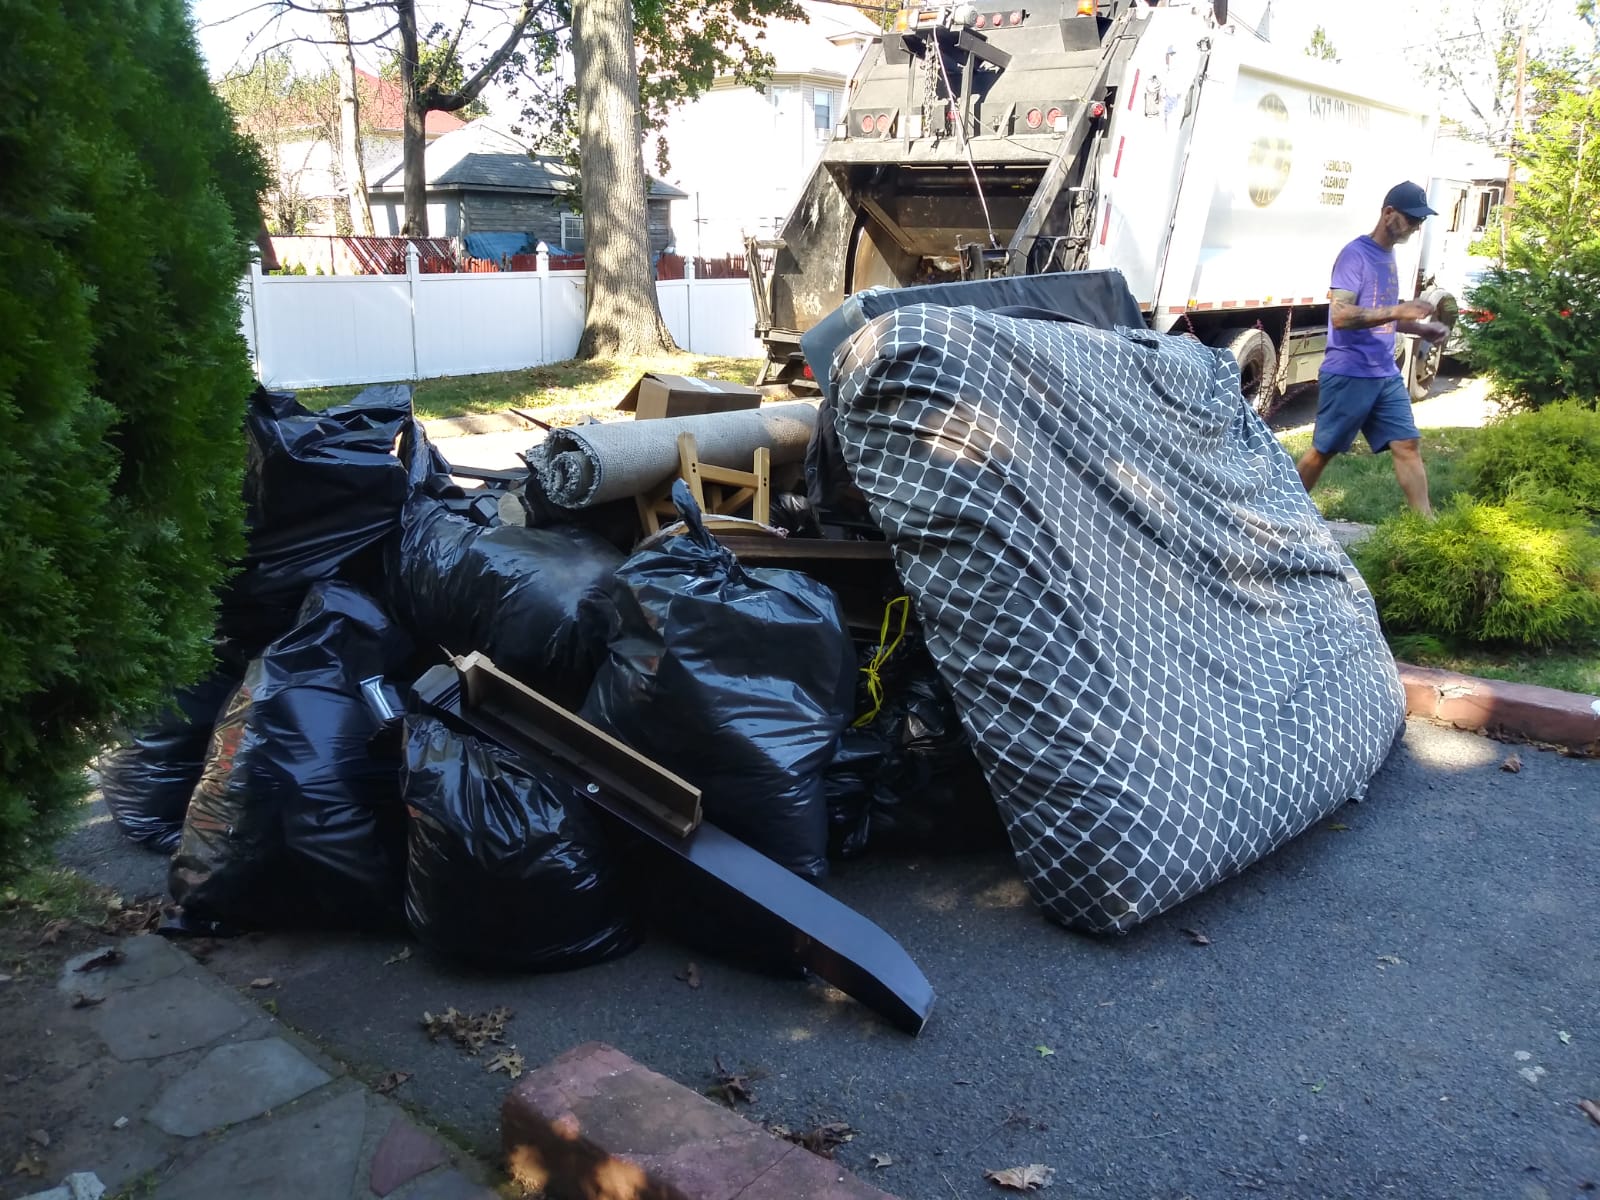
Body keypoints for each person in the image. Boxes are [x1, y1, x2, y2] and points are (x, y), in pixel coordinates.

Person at [1296, 181, 1450, 516]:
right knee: (1323, 451)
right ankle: (1284, 509)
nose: (1416, 226)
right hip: (1349, 372)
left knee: (1407, 443)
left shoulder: (1389, 255)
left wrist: (1420, 327)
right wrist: (1398, 310)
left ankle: (1426, 527)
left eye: (1420, 221)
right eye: (1411, 219)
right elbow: (1341, 315)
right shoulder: (1355, 255)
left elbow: (1380, 314)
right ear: (1388, 213)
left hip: (1384, 373)